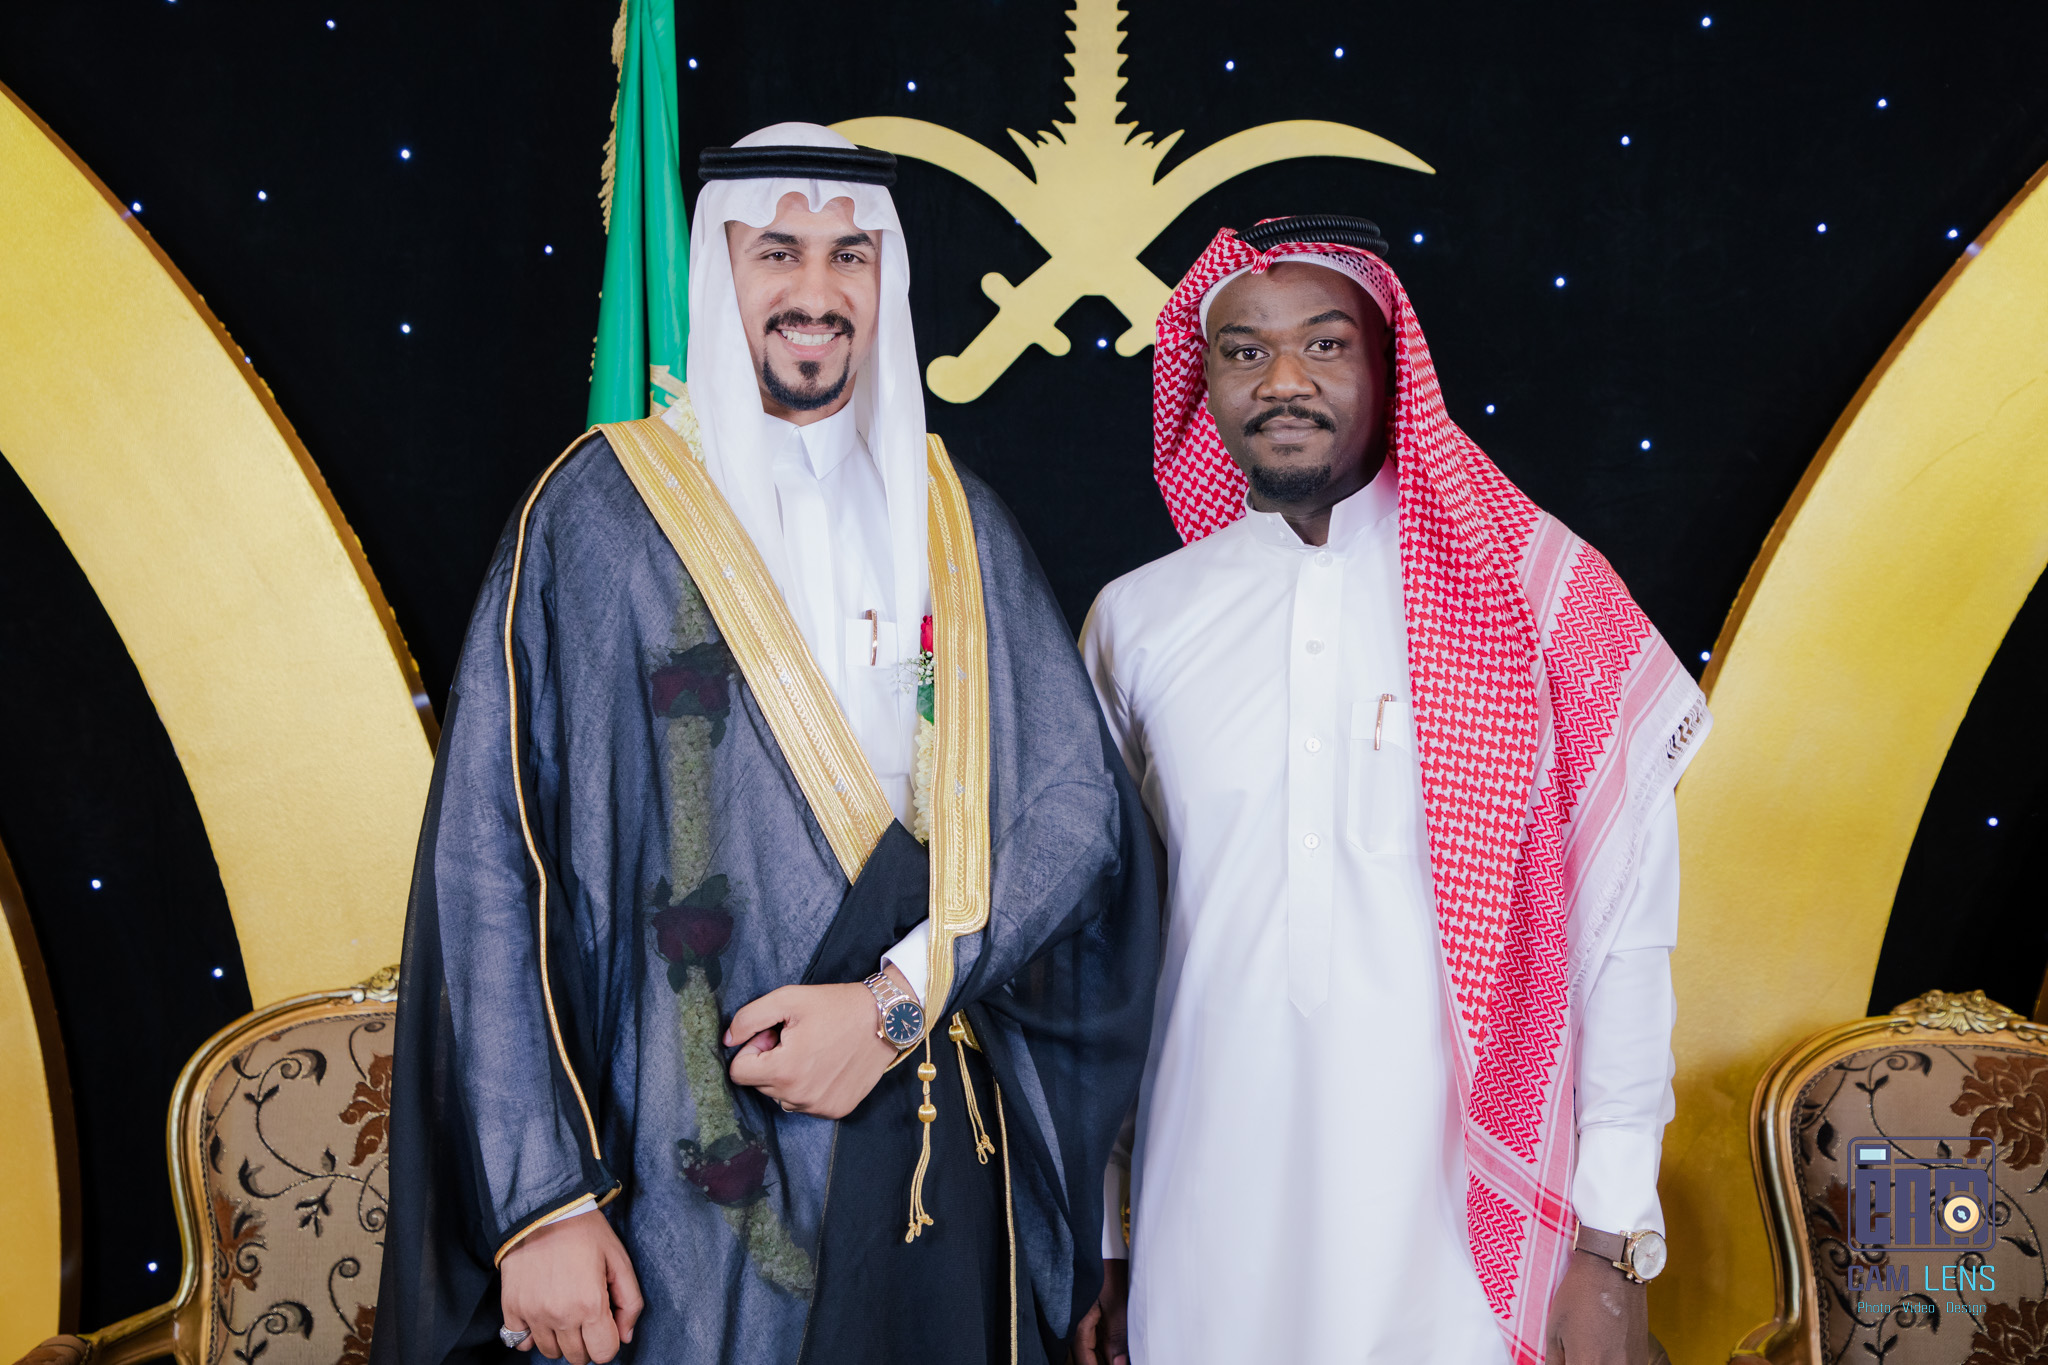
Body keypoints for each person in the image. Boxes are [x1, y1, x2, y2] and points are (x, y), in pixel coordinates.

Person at [371, 123, 1158, 1365]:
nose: (815, 291)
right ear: (714, 270)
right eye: (776, 252)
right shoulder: (600, 514)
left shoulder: (954, 517)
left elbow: (1070, 815)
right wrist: (542, 1205)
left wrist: (895, 1003)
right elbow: (489, 861)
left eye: (850, 256)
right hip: (673, 1160)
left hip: (923, 1132)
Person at [1075, 217, 1710, 1365]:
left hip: (1465, 1232)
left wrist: (1609, 1240)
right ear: (1203, 381)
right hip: (1203, 1213)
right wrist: (1109, 1241)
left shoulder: (1537, 603)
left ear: (1389, 366)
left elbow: (1622, 938)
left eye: (1323, 345)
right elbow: (1106, 958)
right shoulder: (1139, 619)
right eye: (1242, 350)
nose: (1281, 380)